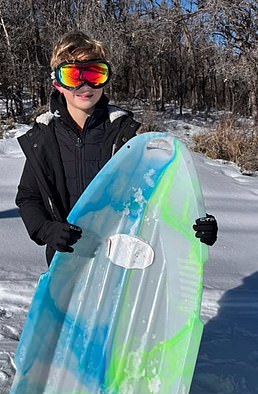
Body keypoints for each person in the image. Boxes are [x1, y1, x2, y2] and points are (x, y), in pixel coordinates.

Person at [15, 31, 218, 267]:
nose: (85, 85)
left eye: (94, 73)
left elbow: (156, 196)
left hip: (117, 261)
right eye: (72, 76)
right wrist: (47, 230)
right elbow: (29, 197)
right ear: (58, 84)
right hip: (65, 260)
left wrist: (194, 223)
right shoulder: (44, 138)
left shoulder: (125, 136)